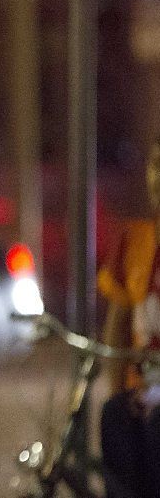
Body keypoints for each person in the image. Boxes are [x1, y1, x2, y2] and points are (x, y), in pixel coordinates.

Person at [97, 139, 160, 498]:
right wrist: (117, 384)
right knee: (114, 416)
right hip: (142, 385)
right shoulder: (136, 239)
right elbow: (117, 324)